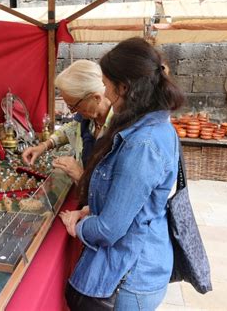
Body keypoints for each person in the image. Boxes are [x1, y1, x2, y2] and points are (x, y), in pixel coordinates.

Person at [59, 37, 185, 310]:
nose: (103, 92)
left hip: (132, 275)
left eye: (106, 85)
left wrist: (76, 224)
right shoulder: (148, 126)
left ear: (124, 88)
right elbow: (132, 201)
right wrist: (92, 208)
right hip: (137, 263)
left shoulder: (143, 144)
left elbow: (108, 230)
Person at [22, 60, 112, 182]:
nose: (73, 112)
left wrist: (80, 174)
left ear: (96, 98)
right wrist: (44, 146)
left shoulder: (122, 129)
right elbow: (69, 129)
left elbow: (117, 191)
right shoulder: (88, 119)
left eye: (74, 106)